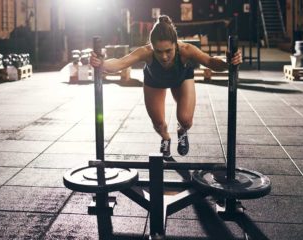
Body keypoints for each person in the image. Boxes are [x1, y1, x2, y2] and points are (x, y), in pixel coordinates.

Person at [90, 15, 242, 159]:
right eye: (159, 51)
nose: (163, 56)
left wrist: (228, 61)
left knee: (186, 120)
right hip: (154, 81)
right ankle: (165, 139)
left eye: (168, 51)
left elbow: (210, 62)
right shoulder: (146, 52)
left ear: (176, 44)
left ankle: (181, 131)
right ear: (152, 47)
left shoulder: (186, 50)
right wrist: (101, 63)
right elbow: (119, 63)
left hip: (181, 79)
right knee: (158, 123)